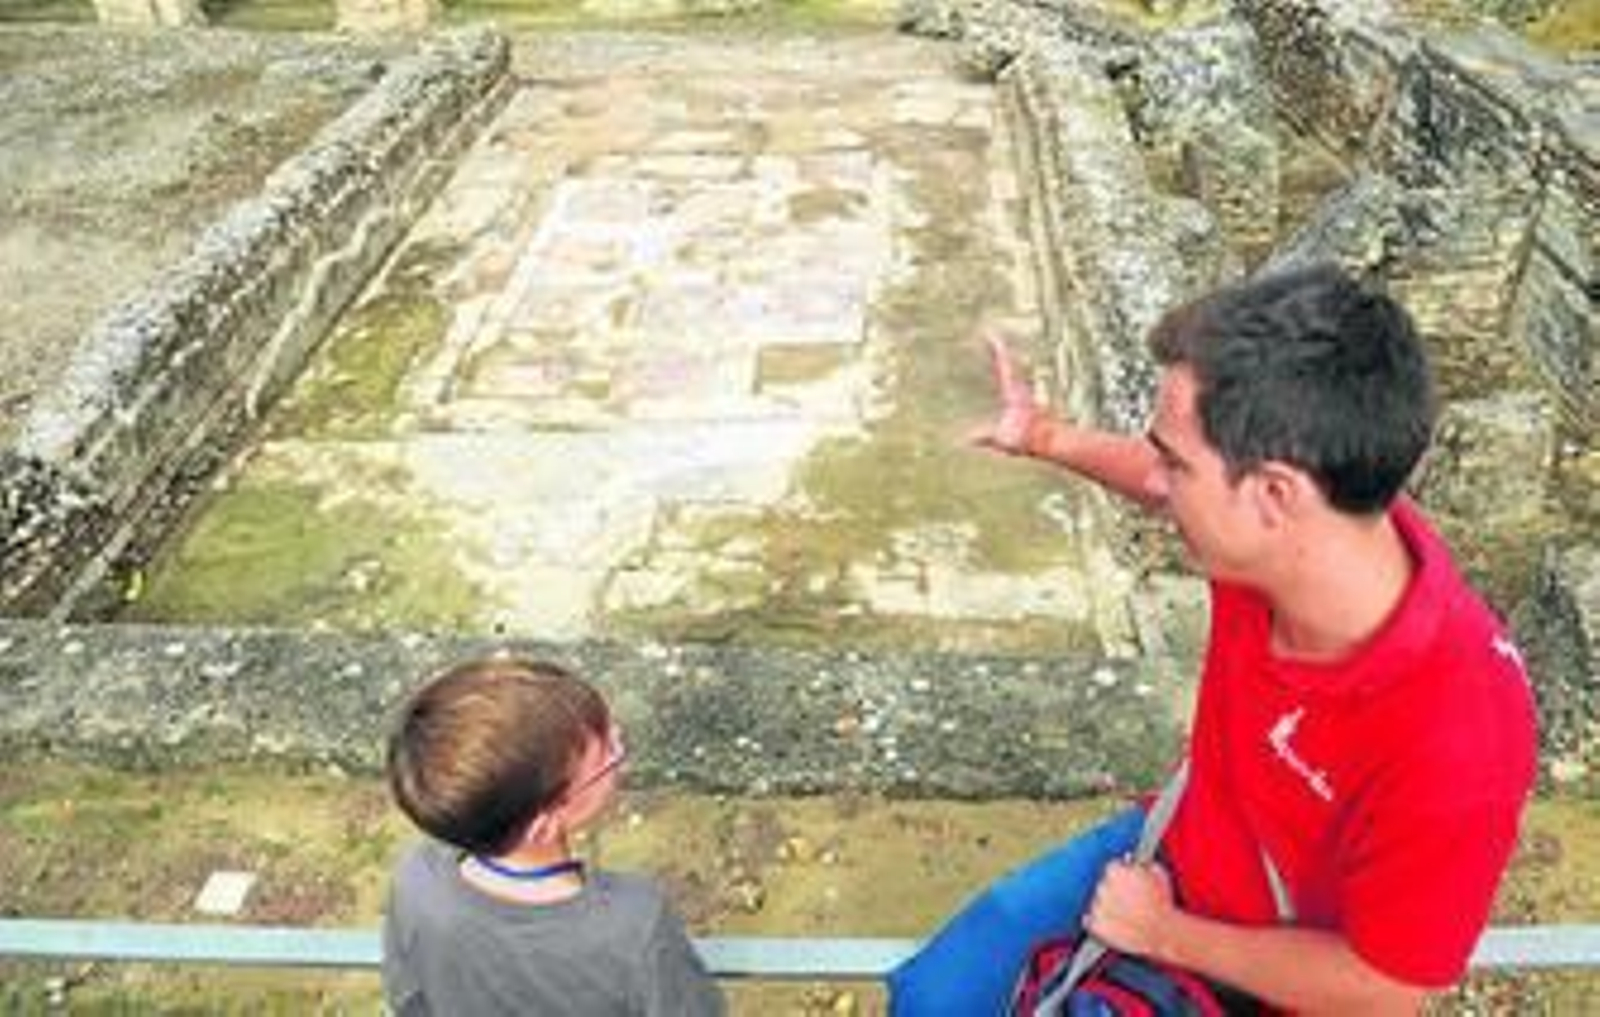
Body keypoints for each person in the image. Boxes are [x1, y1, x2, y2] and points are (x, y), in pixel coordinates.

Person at [889, 264, 1538, 1014]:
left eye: (1175, 460)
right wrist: (1045, 437)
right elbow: (1162, 481)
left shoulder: (1460, 733)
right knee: (933, 994)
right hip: (1176, 846)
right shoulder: (1308, 536)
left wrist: (1165, 934)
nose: (1159, 483)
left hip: (1258, 967)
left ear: (1274, 494)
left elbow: (1386, 989)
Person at [382, 656, 726, 1016]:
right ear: (543, 826)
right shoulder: (635, 921)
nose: (618, 745)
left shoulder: (417, 875)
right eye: (609, 756)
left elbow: (409, 997)